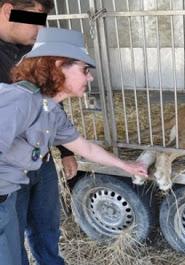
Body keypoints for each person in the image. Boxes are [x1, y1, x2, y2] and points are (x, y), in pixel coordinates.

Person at [0, 27, 148, 265]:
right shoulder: (20, 100)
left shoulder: (51, 109)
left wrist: (125, 165)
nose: (90, 78)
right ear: (59, 66)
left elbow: (85, 148)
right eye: (84, 70)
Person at [0, 1, 81, 264]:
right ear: (8, 10)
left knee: (46, 228)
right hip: (9, 174)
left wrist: (66, 150)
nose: (42, 28)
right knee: (11, 240)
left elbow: (51, 102)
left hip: (42, 161)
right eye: (36, 18)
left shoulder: (33, 52)